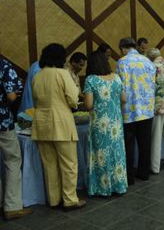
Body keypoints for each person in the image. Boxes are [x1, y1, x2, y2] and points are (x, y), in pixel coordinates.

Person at [32, 43, 86, 211]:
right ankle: (70, 199)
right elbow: (72, 98)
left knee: (50, 165)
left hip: (41, 123)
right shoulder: (63, 74)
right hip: (61, 122)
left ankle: (54, 199)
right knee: (69, 164)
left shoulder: (37, 75)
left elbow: (35, 100)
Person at [83, 51, 128, 196]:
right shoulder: (116, 78)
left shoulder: (91, 80)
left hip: (100, 124)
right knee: (117, 153)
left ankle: (102, 187)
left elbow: (89, 105)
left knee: (101, 154)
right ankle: (118, 185)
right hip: (116, 122)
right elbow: (124, 99)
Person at [116, 38, 156, 184]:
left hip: (129, 110)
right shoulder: (148, 61)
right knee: (145, 143)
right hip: (147, 109)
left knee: (128, 144)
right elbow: (153, 84)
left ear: (123, 48)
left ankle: (129, 177)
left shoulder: (122, 62)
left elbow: (121, 87)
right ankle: (144, 173)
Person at [0, 58, 33, 220]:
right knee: (12, 160)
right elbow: (12, 95)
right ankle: (11, 206)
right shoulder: (3, 65)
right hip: (2, 122)